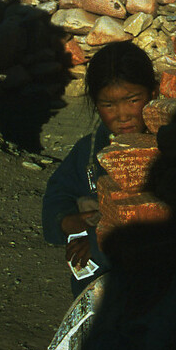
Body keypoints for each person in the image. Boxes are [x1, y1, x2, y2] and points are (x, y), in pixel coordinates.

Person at [42, 41, 157, 295]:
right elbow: (58, 193)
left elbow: (156, 218)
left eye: (132, 100)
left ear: (152, 93)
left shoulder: (166, 147)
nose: (122, 115)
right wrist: (67, 221)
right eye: (108, 105)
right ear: (95, 103)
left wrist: (98, 244)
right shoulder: (90, 150)